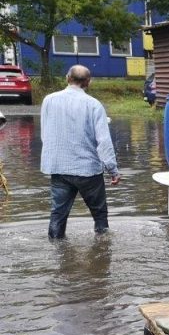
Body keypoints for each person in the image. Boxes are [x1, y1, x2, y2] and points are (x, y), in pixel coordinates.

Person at [40, 65, 121, 240]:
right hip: (88, 171)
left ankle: (56, 250)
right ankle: (103, 249)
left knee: (58, 214)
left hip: (58, 167)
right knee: (99, 215)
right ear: (88, 82)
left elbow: (45, 133)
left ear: (67, 78)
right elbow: (103, 141)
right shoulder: (93, 105)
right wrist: (113, 170)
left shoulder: (49, 100)